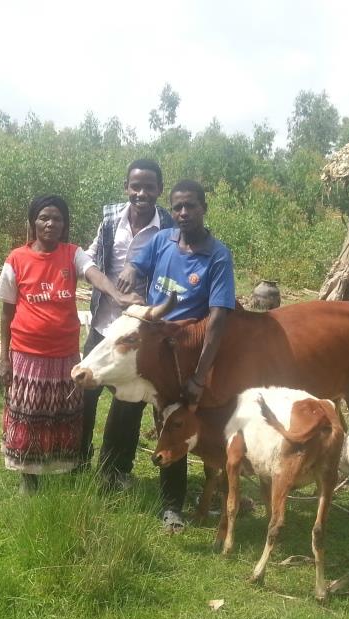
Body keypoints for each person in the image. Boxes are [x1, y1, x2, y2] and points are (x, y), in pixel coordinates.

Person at [0, 195, 141, 493]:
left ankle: (59, 470)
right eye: (44, 218)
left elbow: (95, 275)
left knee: (62, 414)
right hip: (27, 355)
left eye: (58, 219)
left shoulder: (72, 255)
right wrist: (5, 358)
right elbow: (6, 311)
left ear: (65, 224)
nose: (51, 224)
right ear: (33, 222)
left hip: (65, 355)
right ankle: (28, 477)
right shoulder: (16, 259)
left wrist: (118, 295)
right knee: (29, 415)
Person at [118, 179, 236, 532]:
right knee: (132, 406)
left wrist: (199, 375)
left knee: (181, 423)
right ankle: (120, 479)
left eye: (191, 206)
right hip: (151, 344)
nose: (183, 213)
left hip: (187, 354)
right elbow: (136, 265)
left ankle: (184, 503)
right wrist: (131, 271)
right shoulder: (162, 240)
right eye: (178, 207)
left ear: (204, 208)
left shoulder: (217, 255)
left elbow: (218, 319)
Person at [80, 159, 175, 488]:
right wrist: (112, 292)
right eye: (135, 186)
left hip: (139, 332)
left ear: (160, 190)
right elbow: (87, 260)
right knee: (84, 393)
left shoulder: (169, 226)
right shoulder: (109, 218)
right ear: (126, 187)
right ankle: (78, 460)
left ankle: (114, 470)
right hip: (103, 324)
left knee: (129, 402)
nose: (141, 193)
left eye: (149, 187)